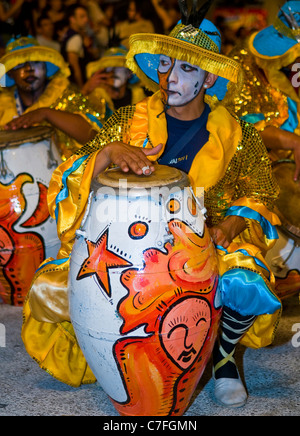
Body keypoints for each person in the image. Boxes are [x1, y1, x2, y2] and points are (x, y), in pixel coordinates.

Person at [21, 1, 282, 409]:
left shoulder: (237, 134)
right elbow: (71, 176)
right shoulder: (130, 118)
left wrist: (229, 225)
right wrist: (107, 153)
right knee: (50, 286)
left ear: (209, 77)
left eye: (186, 69)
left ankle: (223, 357)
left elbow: (261, 191)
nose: (169, 78)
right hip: (128, 245)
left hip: (201, 244)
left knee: (247, 280)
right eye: (164, 65)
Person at [0, 35, 104, 158]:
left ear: (46, 67)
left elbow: (94, 138)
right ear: (10, 73)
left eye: (37, 62)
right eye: (20, 65)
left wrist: (46, 113)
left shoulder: (65, 93)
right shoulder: (3, 104)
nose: (29, 69)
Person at [82, 45, 147, 113]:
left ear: (129, 73)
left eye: (118, 66)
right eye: (109, 67)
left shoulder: (140, 97)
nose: (112, 72)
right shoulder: (98, 96)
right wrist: (85, 90)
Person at [61, 3, 96, 88]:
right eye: (82, 17)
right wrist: (82, 89)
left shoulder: (72, 34)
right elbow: (74, 66)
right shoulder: (75, 38)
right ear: (72, 19)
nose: (86, 19)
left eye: (86, 16)